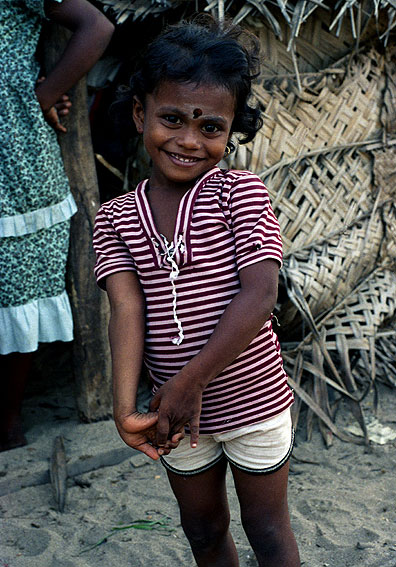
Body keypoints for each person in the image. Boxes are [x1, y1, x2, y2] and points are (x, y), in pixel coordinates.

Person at [93, 15, 300, 567]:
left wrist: (189, 381)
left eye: (210, 126)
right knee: (203, 531)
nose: (188, 139)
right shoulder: (114, 218)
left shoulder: (239, 192)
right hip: (175, 416)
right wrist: (123, 407)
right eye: (172, 119)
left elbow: (259, 295)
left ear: (231, 131)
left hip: (253, 402)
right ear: (141, 114)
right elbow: (125, 307)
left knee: (267, 529)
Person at [0, 0, 114, 452]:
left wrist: (43, 96)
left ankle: (6, 420)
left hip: (16, 155)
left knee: (17, 290)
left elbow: (96, 26)